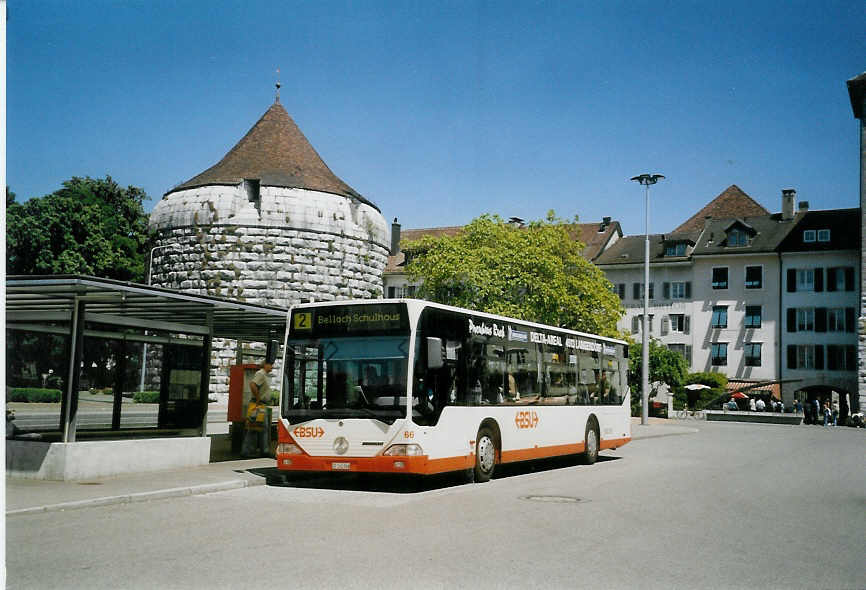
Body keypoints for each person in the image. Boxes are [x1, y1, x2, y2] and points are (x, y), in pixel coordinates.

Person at [241, 361, 273, 458]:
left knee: (262, 428)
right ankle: (247, 451)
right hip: (258, 404)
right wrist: (258, 398)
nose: (272, 367)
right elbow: (252, 385)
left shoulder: (264, 375)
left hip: (261, 404)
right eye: (270, 364)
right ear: (265, 365)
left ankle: (263, 450)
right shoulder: (260, 374)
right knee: (254, 427)